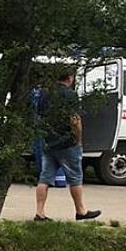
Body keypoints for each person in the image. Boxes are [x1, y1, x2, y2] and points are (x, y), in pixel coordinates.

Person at [33, 67, 101, 222]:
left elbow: (39, 116)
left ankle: (40, 212)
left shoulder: (44, 93)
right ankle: (81, 211)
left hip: (48, 141)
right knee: (75, 177)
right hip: (67, 143)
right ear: (70, 77)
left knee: (45, 177)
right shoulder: (70, 94)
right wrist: (78, 138)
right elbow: (74, 119)